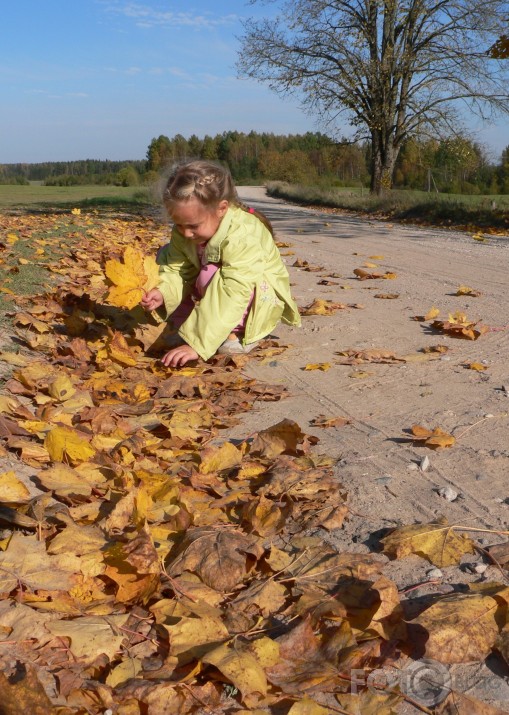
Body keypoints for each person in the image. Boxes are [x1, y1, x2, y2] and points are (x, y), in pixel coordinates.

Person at [141, 160, 301, 367]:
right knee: (166, 254)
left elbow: (233, 289)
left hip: (257, 298)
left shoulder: (243, 234)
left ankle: (236, 333)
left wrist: (197, 344)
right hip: (219, 292)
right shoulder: (185, 232)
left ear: (221, 209)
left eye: (193, 226)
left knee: (211, 273)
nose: (186, 233)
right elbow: (177, 270)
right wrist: (163, 291)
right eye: (178, 225)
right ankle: (185, 328)